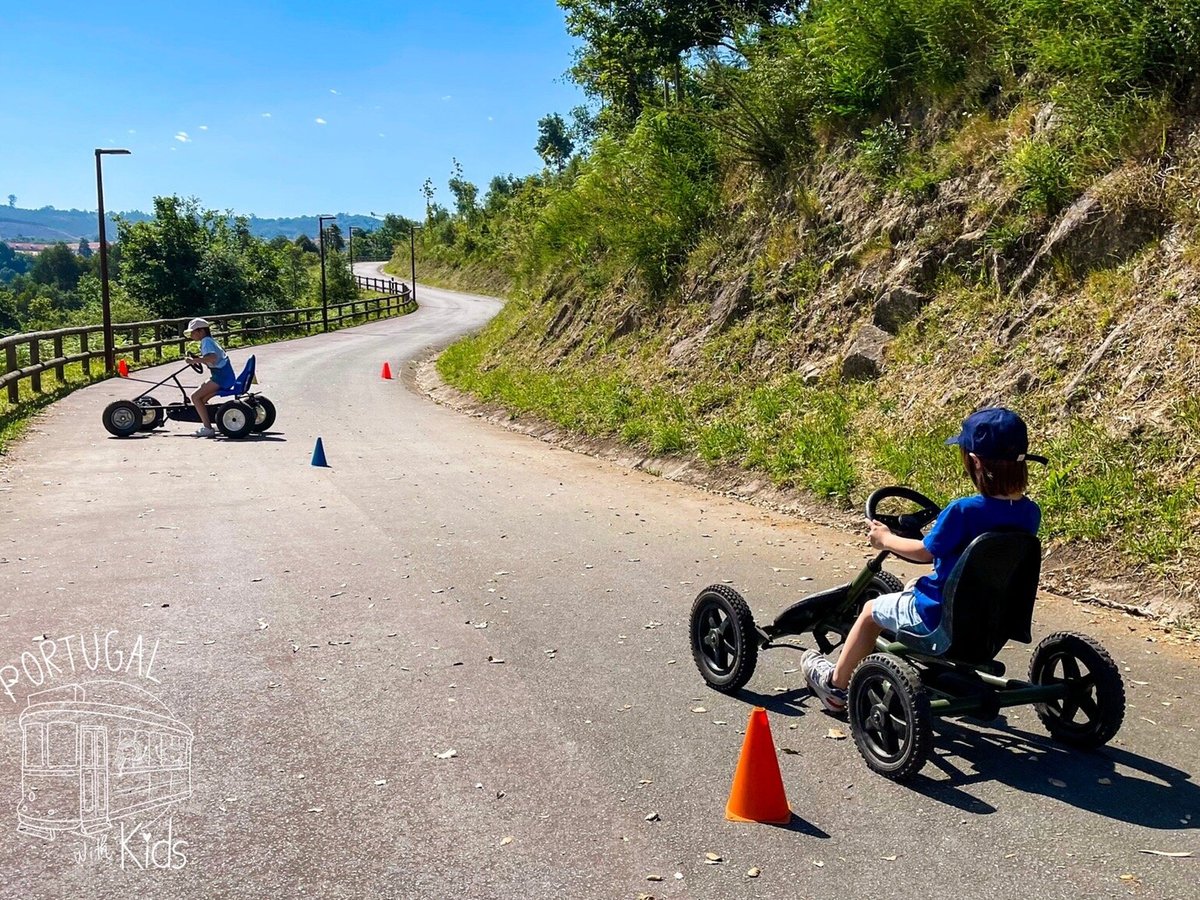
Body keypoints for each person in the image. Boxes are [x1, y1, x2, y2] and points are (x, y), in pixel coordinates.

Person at [802, 407, 1045, 714]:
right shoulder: (1029, 512)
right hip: (991, 621)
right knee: (914, 585)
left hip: (941, 617)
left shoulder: (963, 511)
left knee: (868, 612)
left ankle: (835, 685)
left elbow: (922, 552)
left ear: (974, 461)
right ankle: (927, 656)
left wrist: (885, 539)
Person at [184, 317, 234, 438]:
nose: (191, 335)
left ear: (201, 331)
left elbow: (212, 358)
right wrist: (198, 360)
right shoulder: (210, 341)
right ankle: (211, 423)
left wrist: (194, 360)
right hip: (224, 376)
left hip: (221, 377)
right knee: (202, 398)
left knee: (195, 397)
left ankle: (207, 428)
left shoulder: (206, 341)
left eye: (193, 332)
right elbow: (211, 358)